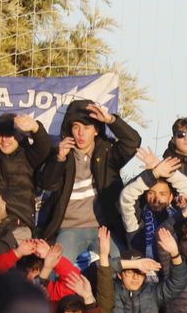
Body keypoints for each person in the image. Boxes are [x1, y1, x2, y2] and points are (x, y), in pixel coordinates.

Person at [34, 99, 142, 261]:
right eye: (76, 127)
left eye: (86, 127)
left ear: (96, 130)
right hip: (68, 229)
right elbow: (47, 183)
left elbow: (133, 142)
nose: (81, 133)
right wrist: (59, 159)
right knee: (61, 267)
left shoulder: (107, 152)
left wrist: (111, 120)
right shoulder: (62, 153)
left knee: (116, 262)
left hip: (102, 228)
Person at [0, 112, 55, 238]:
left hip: (18, 223)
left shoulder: (29, 157)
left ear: (19, 136)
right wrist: (12, 123)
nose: (4, 140)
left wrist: (36, 128)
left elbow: (45, 147)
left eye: (10, 135)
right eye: (1, 135)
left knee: (5, 246)